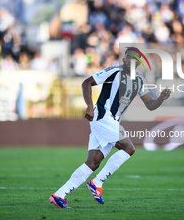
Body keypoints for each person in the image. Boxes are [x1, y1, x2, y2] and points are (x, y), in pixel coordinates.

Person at [49, 47, 171, 208]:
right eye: (128, 58)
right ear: (124, 60)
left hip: (113, 121)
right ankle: (97, 182)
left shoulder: (140, 80)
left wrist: (161, 98)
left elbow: (150, 104)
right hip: (102, 116)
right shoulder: (114, 71)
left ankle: (59, 195)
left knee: (93, 161)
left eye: (135, 59)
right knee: (129, 148)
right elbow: (87, 82)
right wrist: (89, 106)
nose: (130, 61)